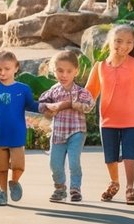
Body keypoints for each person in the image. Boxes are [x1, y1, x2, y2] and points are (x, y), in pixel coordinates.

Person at [86, 23, 134, 205]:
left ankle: (130, 187)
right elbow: (89, 93)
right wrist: (77, 104)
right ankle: (114, 183)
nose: (124, 45)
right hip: (107, 121)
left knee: (130, 154)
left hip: (130, 119)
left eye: (129, 42)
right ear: (110, 42)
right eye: (119, 41)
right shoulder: (100, 67)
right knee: (110, 157)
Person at [0, 50, 40, 206]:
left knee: (18, 165)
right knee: (0, 167)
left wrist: (47, 106)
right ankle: (2, 192)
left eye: (7, 69)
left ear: (16, 68)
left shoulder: (23, 89)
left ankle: (14, 182)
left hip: (17, 135)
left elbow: (33, 105)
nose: (2, 73)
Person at [37, 50, 94, 203]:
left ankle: (75, 188)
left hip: (77, 131)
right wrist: (49, 108)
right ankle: (60, 188)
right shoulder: (53, 91)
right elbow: (41, 105)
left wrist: (71, 104)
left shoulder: (81, 92)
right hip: (58, 133)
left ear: (76, 71)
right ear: (54, 71)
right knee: (55, 164)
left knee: (74, 160)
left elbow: (89, 106)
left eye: (68, 71)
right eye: (60, 71)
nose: (64, 75)